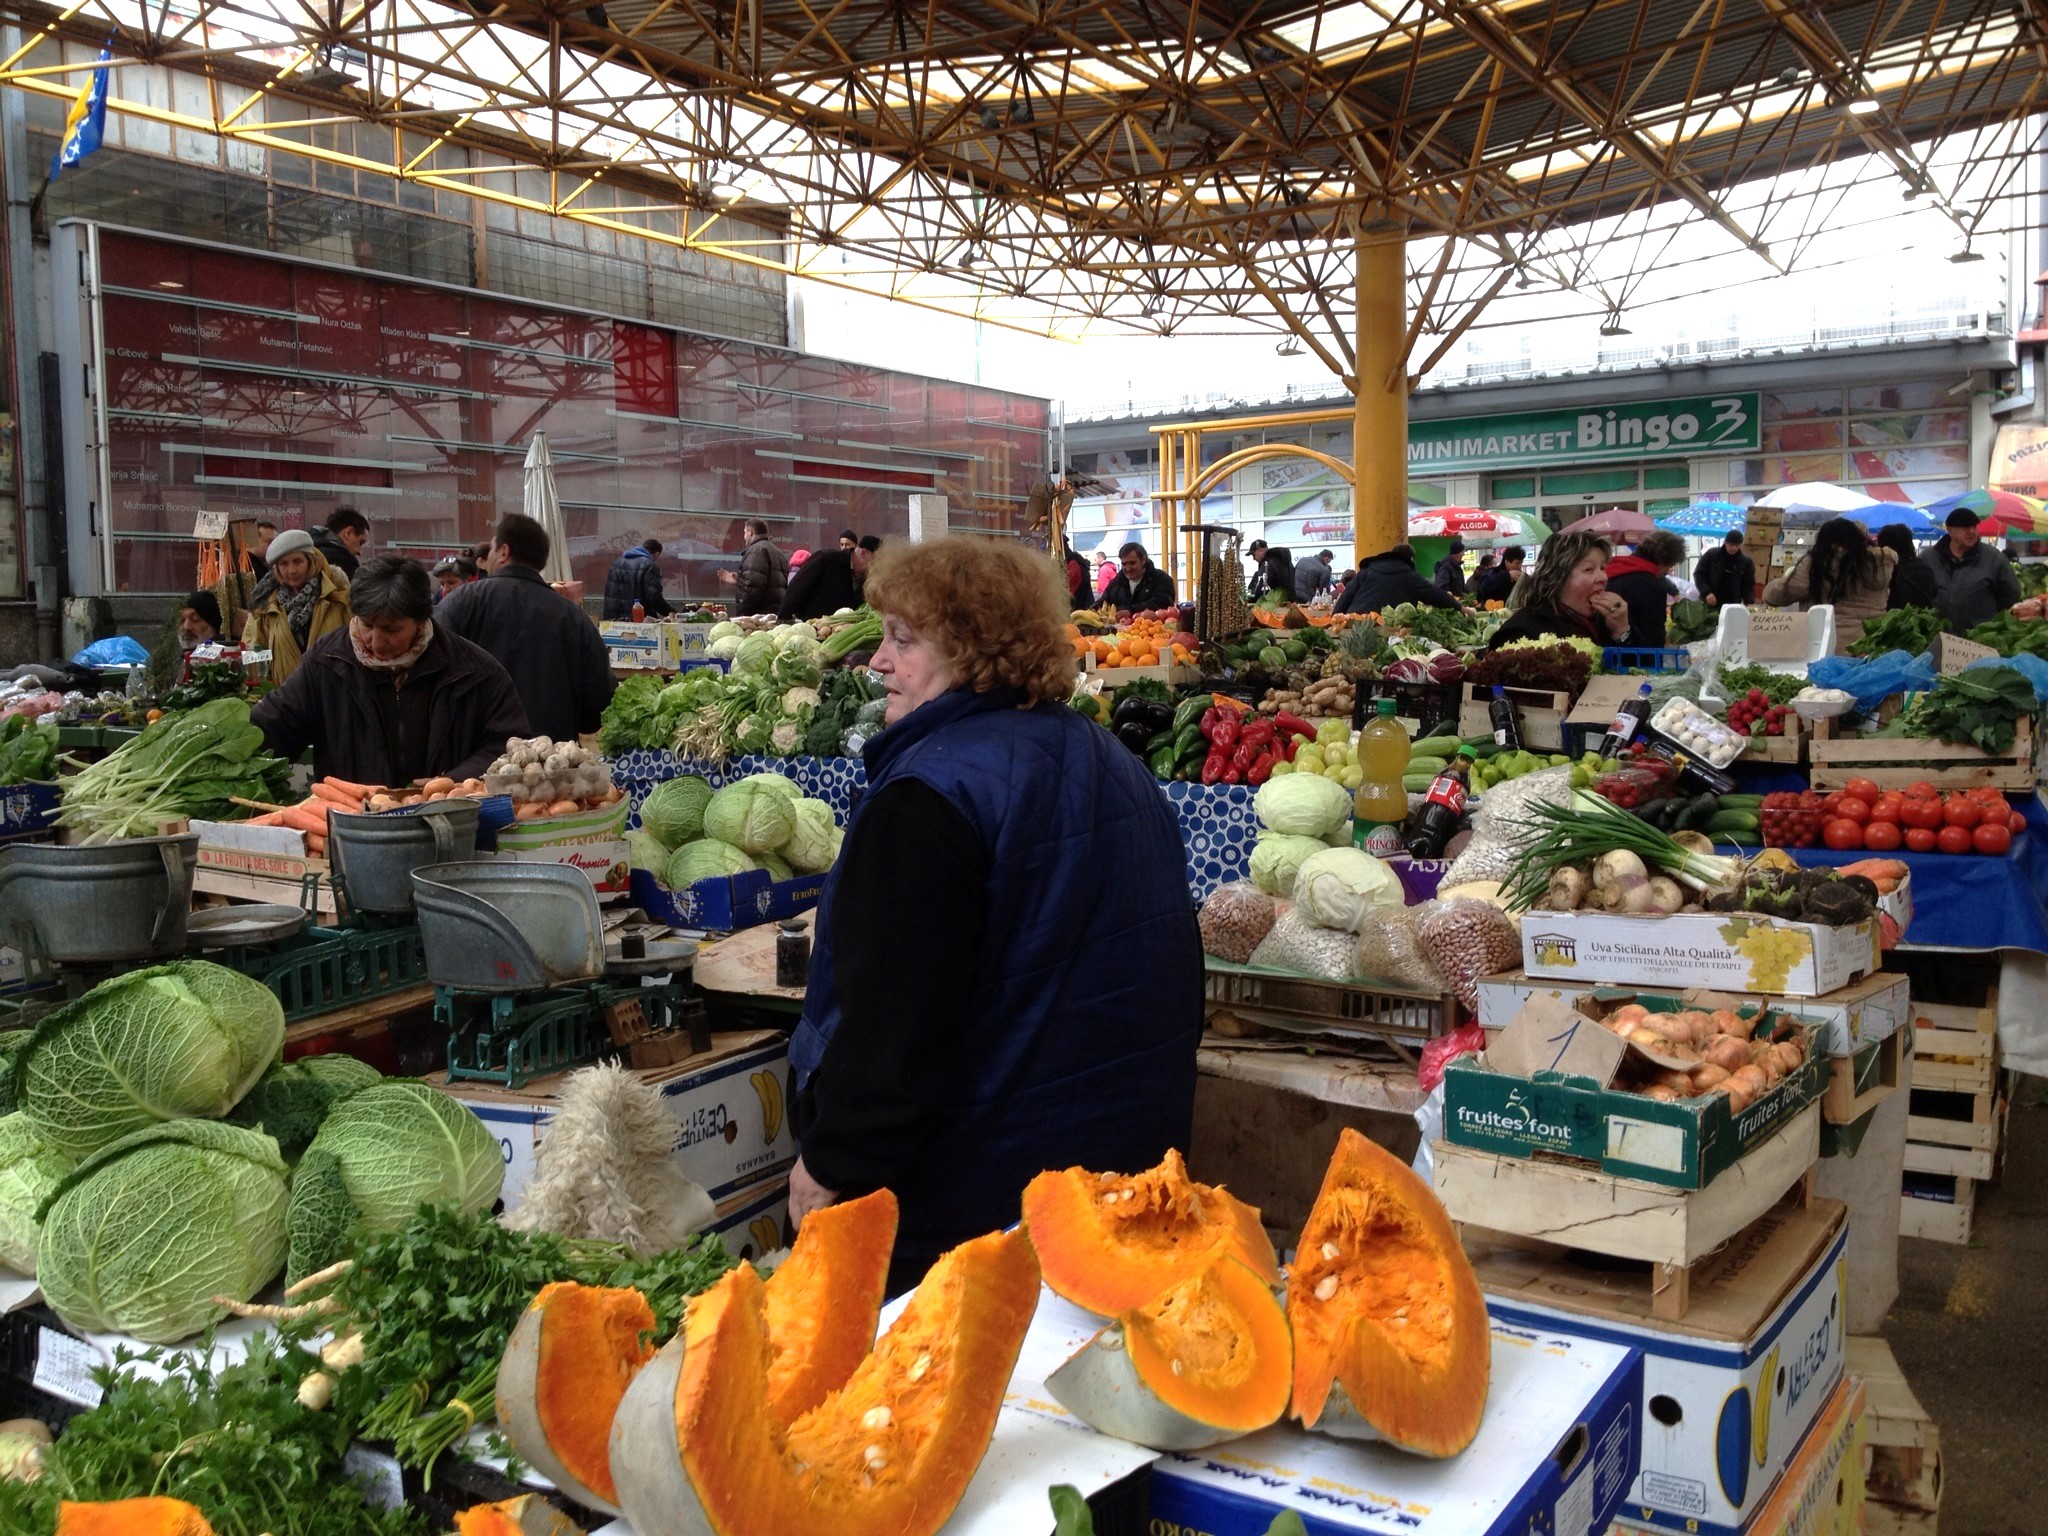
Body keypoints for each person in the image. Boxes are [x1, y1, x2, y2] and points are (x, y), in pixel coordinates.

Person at [786, 536, 1201, 1296]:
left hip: (972, 1218)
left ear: (975, 653)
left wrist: (830, 1164)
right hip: (1122, 1186)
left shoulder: (927, 799)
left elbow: (897, 1036)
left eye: (903, 641)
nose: (877, 661)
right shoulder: (1112, 761)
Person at [252, 555, 528, 786]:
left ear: (421, 620)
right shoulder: (327, 660)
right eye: (367, 624)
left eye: (391, 629)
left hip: (450, 821)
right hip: (353, 825)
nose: (375, 640)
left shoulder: (474, 670)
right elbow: (279, 724)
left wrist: (453, 782)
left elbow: (508, 746)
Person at [436, 513, 615, 743]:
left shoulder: (461, 603)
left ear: (504, 552)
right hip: (552, 762)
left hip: (474, 761)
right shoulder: (573, 616)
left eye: (491, 548)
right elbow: (598, 702)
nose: (486, 557)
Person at [1763, 517, 1896, 654]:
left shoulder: (1821, 563)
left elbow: (1775, 596)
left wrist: (1782, 579)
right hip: (1873, 642)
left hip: (1831, 645)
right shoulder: (1879, 563)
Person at [1485, 531, 1631, 648]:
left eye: (1603, 568)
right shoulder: (1521, 632)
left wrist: (1621, 631)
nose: (1603, 577)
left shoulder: (1603, 621)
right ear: (1558, 578)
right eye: (1589, 569)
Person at [241, 529, 351, 684]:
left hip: (333, 696)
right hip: (285, 699)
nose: (291, 570)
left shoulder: (338, 598)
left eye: (297, 561)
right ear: (276, 568)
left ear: (310, 561)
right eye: (283, 564)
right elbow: (253, 653)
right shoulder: (264, 607)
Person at [1922, 507, 2020, 634]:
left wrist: (1987, 617)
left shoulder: (1993, 558)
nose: (1972, 532)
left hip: (1981, 636)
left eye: (1974, 527)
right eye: (1965, 528)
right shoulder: (1928, 558)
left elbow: (2012, 593)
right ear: (1950, 530)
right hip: (1939, 635)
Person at [1602, 530, 1687, 647]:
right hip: (1634, 657)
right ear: (1663, 561)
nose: (1668, 571)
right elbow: (1654, 636)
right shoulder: (1650, 585)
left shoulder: (1611, 570)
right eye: (1670, 565)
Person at [1335, 544, 1458, 615]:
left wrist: (1333, 619)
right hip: (1388, 629)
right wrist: (1459, 607)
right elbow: (1434, 594)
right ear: (1410, 558)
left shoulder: (1367, 570)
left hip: (1354, 622)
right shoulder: (1409, 575)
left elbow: (1346, 596)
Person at [783, 534, 880, 621]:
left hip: (838, 633)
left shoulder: (866, 580)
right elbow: (797, 587)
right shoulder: (827, 558)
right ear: (863, 553)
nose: (878, 566)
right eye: (877, 560)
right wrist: (784, 618)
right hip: (809, 626)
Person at [722, 518, 788, 617]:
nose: (744, 536)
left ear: (750, 532)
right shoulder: (777, 552)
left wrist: (744, 614)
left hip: (759, 615)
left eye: (744, 532)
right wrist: (739, 579)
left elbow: (753, 586)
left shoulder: (756, 550)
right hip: (774, 613)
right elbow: (771, 581)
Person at [603, 538, 671, 620]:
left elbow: (609, 591)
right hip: (637, 620)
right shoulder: (649, 565)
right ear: (656, 554)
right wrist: (671, 613)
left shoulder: (617, 562)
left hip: (613, 620)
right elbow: (654, 597)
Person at [1099, 541, 1176, 612]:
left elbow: (1161, 603)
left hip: (1152, 626)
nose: (1128, 568)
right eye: (1124, 564)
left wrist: (1131, 611)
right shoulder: (1116, 582)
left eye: (1132, 563)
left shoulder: (1162, 579)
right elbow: (1104, 601)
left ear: (1143, 560)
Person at [1876, 524, 1938, 609]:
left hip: (1890, 620)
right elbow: (1934, 593)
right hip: (1920, 619)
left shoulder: (1884, 572)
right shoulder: (1925, 568)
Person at [1693, 529, 1755, 607]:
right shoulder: (1711, 555)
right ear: (1725, 542)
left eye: (1737, 546)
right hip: (1710, 601)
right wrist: (1707, 592)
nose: (1734, 548)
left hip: (1732, 603)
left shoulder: (1746, 562)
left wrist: (1749, 601)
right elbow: (1699, 574)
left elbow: (1748, 584)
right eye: (1731, 545)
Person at [313, 507, 369, 578]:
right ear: (348, 533)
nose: (359, 552)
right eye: (360, 542)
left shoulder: (307, 552)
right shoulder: (345, 562)